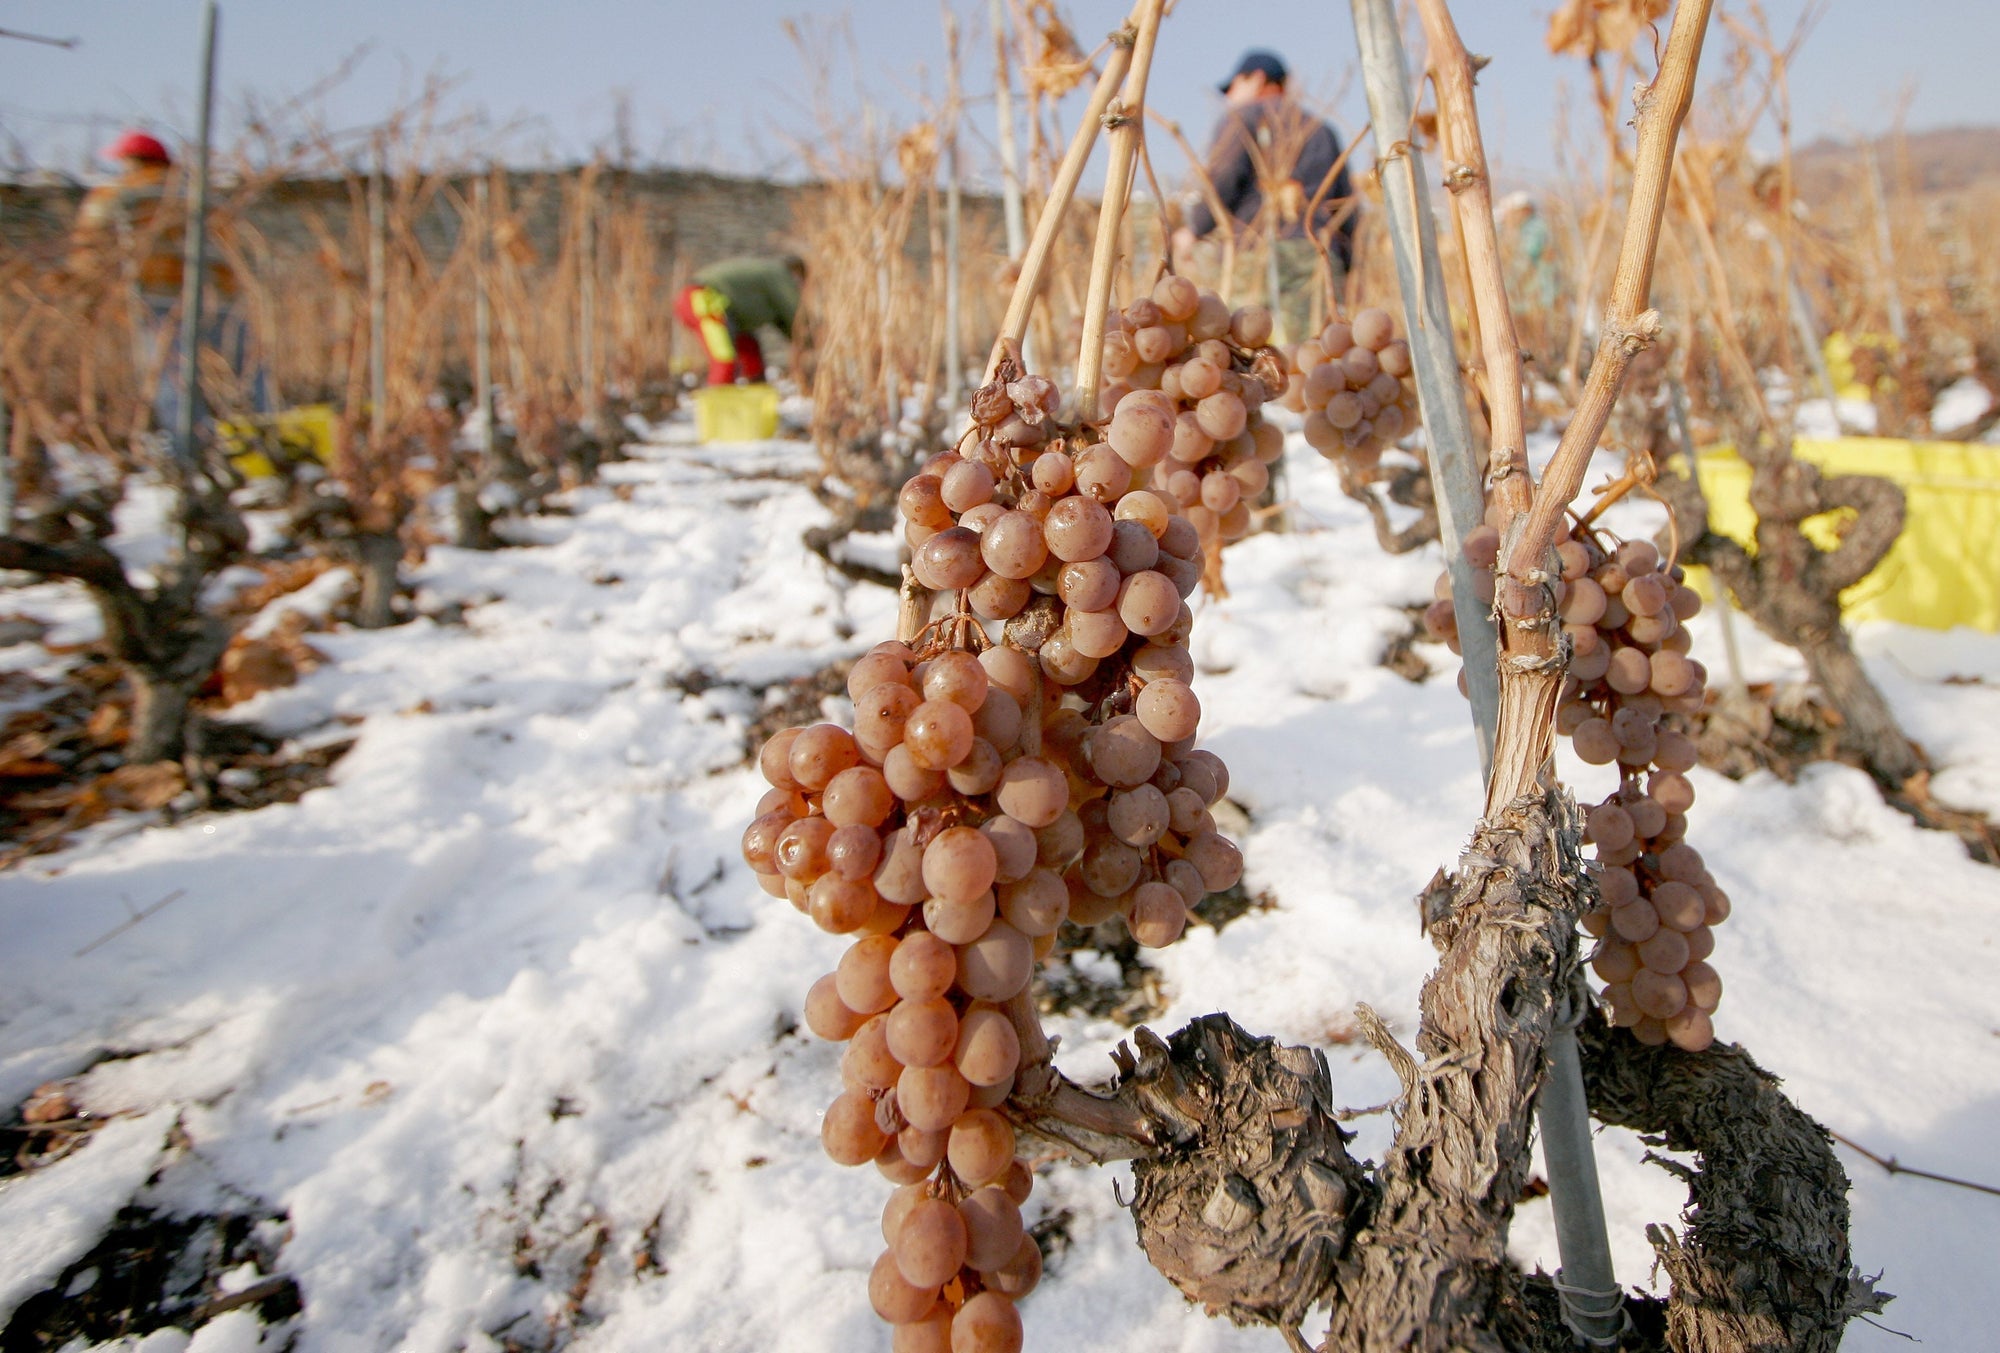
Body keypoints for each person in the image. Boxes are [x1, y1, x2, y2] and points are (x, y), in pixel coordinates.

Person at [70, 129, 259, 433]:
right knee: (248, 373)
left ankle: (191, 448)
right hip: (220, 298)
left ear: (131, 161)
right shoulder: (204, 195)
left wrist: (84, 290)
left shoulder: (117, 194)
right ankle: (270, 436)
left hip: (158, 299)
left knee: (171, 379)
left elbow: (89, 245)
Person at [1170, 50, 1355, 344]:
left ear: (1256, 79)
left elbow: (1224, 179)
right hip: (1317, 255)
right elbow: (1346, 204)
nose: (1227, 97)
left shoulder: (1243, 118)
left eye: (1231, 87)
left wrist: (1195, 229)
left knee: (1253, 357)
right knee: (1314, 356)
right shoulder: (1322, 130)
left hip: (1256, 253)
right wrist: (1342, 262)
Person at [674, 254, 805, 386]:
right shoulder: (780, 274)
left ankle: (755, 394)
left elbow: (784, 321)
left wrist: (799, 341)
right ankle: (718, 402)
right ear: (797, 273)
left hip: (719, 308)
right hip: (703, 300)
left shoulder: (767, 275)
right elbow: (795, 314)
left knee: (750, 351)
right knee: (724, 359)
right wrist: (812, 343)